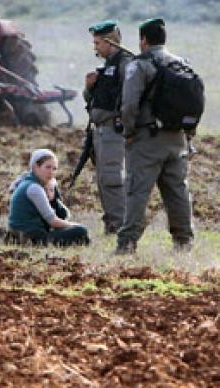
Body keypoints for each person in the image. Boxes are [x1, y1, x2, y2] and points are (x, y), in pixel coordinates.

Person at [116, 18, 194, 254]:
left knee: (137, 190)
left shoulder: (139, 65)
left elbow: (129, 105)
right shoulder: (181, 63)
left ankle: (127, 243)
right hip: (177, 138)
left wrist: (128, 132)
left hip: (147, 138)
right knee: (178, 191)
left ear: (143, 40)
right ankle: (184, 242)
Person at [83, 20, 131, 234]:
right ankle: (112, 222)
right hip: (101, 130)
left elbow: (130, 98)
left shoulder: (125, 63)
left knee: (112, 178)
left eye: (98, 43)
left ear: (110, 41)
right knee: (104, 179)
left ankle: (119, 225)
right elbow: (96, 100)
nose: (95, 48)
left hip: (115, 130)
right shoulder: (108, 65)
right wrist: (89, 87)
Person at [8, 149, 90, 247]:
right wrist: (76, 226)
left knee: (75, 232)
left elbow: (63, 215)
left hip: (24, 234)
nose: (51, 172)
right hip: (30, 237)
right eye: (47, 167)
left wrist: (54, 198)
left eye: (54, 169)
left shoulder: (30, 182)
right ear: (35, 167)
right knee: (81, 231)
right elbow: (53, 221)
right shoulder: (34, 188)